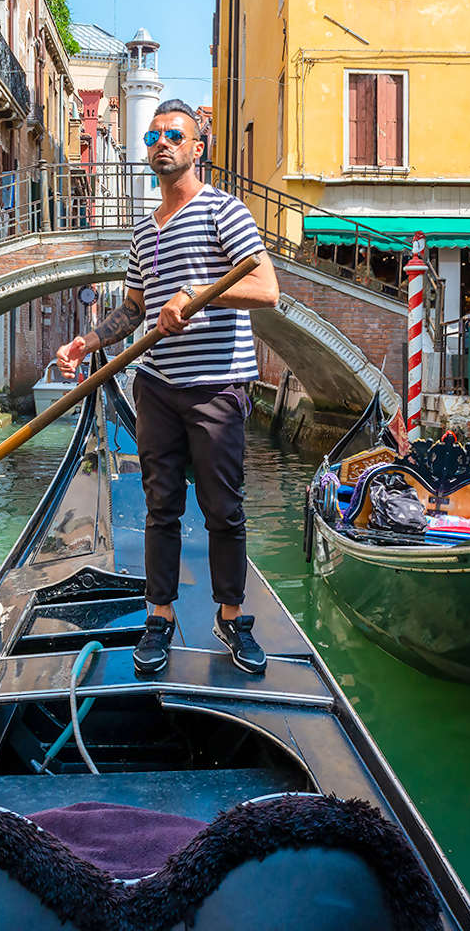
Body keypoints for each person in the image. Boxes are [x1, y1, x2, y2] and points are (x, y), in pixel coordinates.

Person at [56, 99, 280, 676]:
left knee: (223, 511)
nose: (162, 143)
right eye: (153, 135)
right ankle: (160, 616)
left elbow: (266, 288)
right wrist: (88, 343)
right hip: (155, 386)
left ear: (196, 147)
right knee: (161, 508)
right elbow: (133, 309)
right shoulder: (141, 234)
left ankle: (231, 618)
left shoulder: (223, 214)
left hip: (216, 386)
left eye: (174, 135)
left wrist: (199, 292)